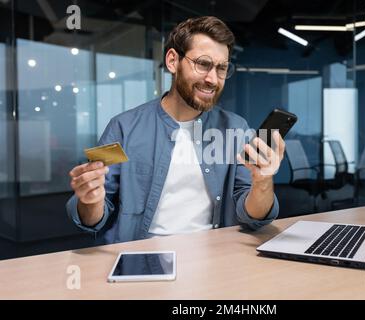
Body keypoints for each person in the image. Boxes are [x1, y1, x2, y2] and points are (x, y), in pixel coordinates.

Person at [66, 16, 285, 244]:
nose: (212, 79)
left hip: (217, 258)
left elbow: (253, 217)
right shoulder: (122, 127)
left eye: (221, 68)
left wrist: (263, 182)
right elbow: (92, 219)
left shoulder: (236, 128)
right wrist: (90, 199)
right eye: (203, 64)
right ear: (172, 61)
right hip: (142, 258)